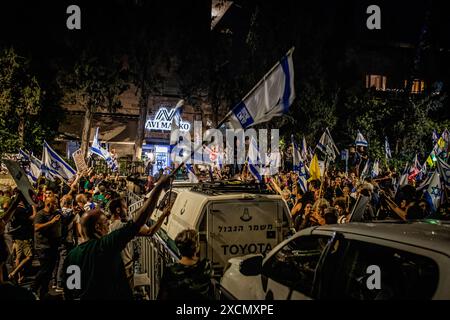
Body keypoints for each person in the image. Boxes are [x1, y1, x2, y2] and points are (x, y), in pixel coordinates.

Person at [63, 174, 171, 300]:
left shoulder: (72, 256)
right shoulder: (105, 246)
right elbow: (138, 222)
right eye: (105, 223)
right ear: (98, 228)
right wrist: (159, 187)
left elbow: (72, 290)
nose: (108, 225)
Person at [158, 229, 213, 300]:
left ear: (179, 249)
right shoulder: (206, 267)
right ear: (196, 248)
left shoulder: (170, 270)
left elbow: (162, 295)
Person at [32, 196, 61, 299]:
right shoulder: (41, 214)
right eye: (55, 204)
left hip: (52, 246)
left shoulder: (55, 214)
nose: (57, 206)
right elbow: (36, 227)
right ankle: (33, 288)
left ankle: (44, 292)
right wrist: (51, 222)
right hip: (42, 246)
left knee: (49, 271)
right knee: (44, 269)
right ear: (48, 204)